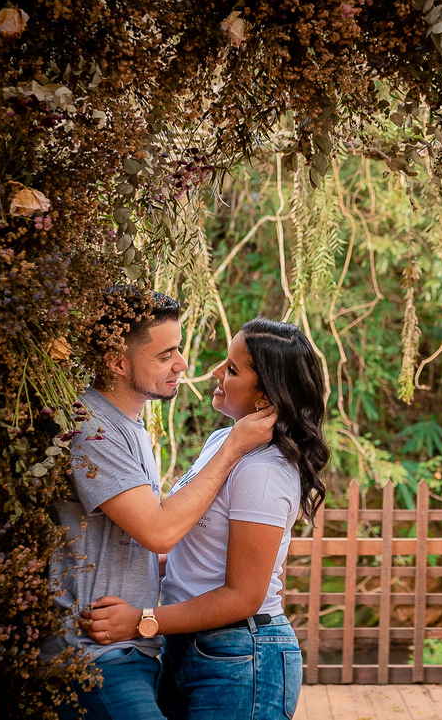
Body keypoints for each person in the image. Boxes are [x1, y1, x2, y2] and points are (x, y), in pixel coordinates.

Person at [45, 288, 277, 720]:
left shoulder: (127, 425)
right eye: (165, 354)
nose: (183, 365)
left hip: (128, 651)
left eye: (180, 349)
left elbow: (134, 542)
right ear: (117, 361)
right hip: (95, 653)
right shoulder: (90, 426)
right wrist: (233, 447)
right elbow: (158, 531)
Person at [82, 318, 329, 720]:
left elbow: (244, 595)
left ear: (265, 397)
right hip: (187, 645)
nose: (215, 372)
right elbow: (196, 554)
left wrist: (142, 621)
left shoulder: (263, 470)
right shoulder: (224, 442)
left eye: (232, 369)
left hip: (241, 655)